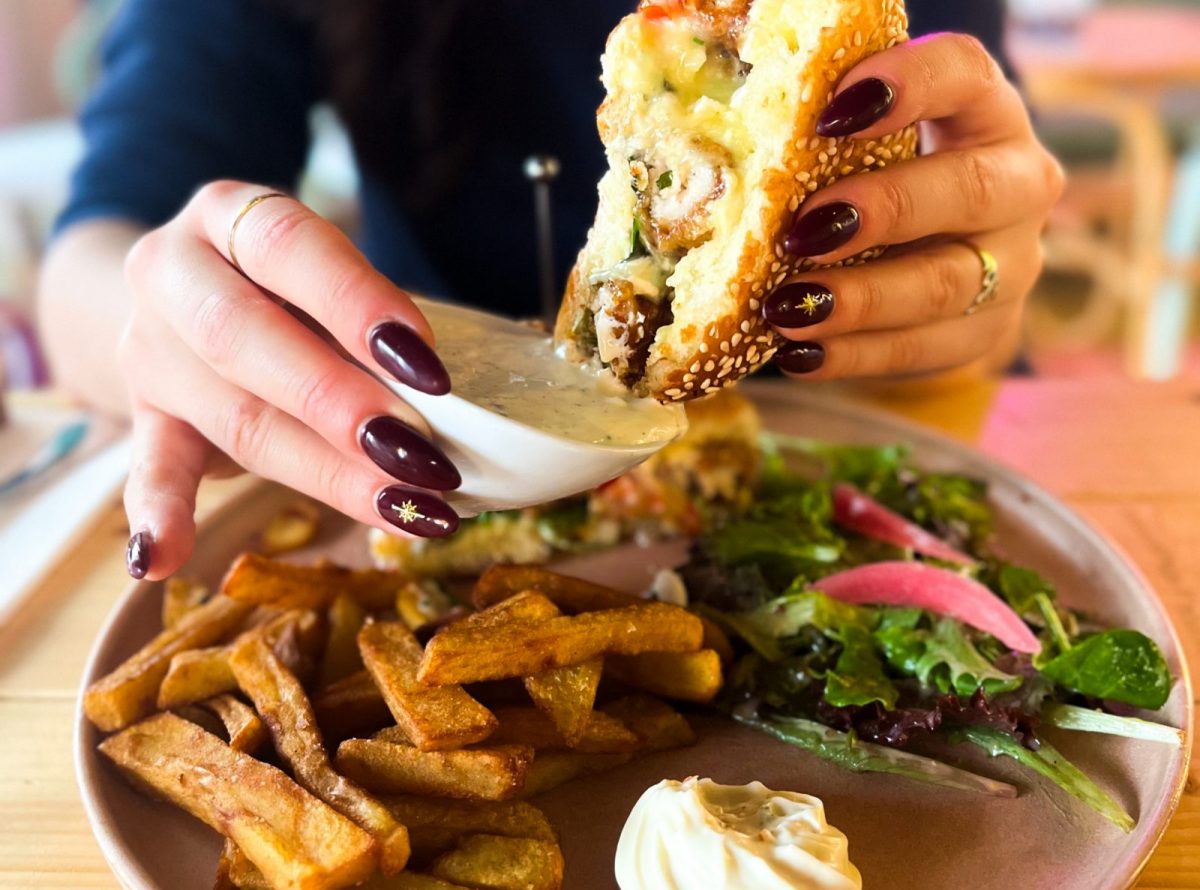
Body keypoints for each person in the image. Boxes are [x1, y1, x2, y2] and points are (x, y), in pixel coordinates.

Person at [37, 0, 1064, 580]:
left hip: (859, 447)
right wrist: (178, 315)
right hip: (424, 444)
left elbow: (974, 226)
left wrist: (982, 280)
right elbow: (91, 262)